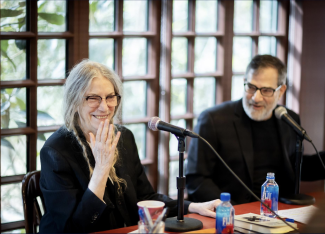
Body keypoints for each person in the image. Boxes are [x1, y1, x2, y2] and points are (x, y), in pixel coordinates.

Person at [39, 60, 220, 233]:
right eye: (93, 98)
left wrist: (193, 207)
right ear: (75, 102)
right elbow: (73, 228)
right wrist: (101, 169)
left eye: (110, 97)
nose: (104, 107)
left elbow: (145, 198)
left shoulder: (123, 137)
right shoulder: (55, 151)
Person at [186, 55, 325, 205]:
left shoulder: (289, 119)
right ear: (244, 82)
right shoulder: (214, 120)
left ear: (281, 91)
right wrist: (228, 208)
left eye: (266, 90)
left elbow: (297, 168)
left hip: (279, 213)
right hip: (232, 212)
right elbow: (197, 179)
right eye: (251, 87)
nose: (256, 97)